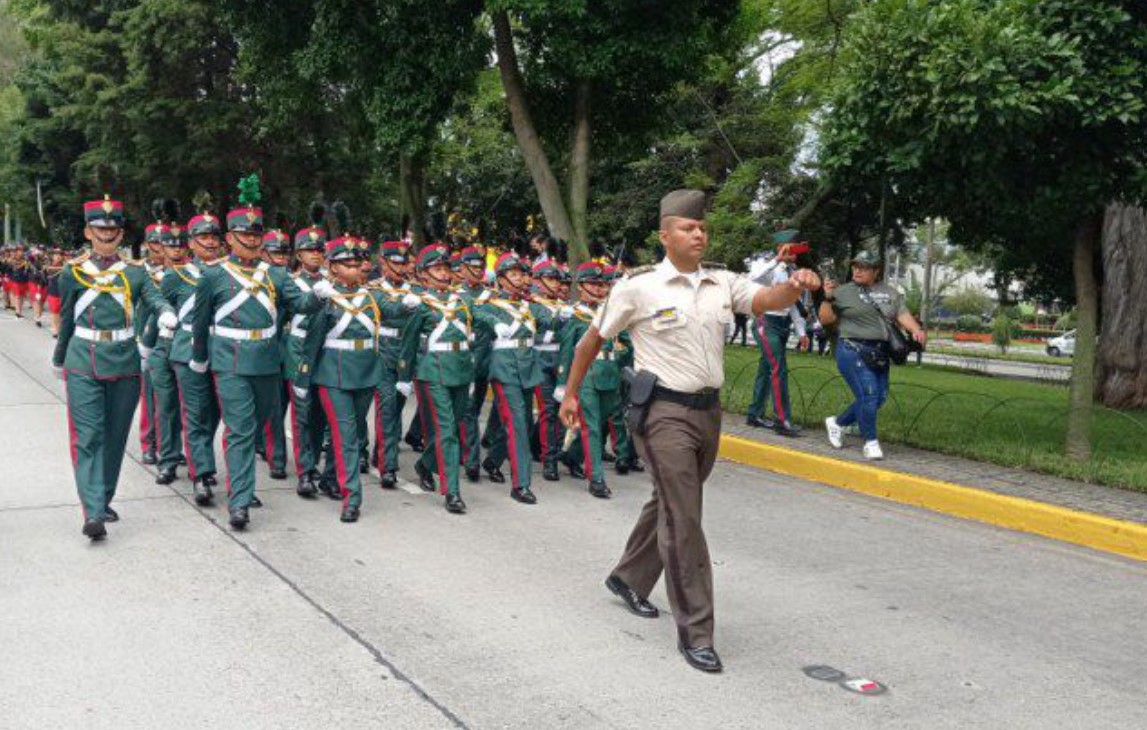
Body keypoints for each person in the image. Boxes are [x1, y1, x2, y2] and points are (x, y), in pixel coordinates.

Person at [558, 189, 820, 673]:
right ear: (665, 235)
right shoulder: (638, 287)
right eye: (687, 228)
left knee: (670, 500)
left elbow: (765, 298)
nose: (698, 234)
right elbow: (592, 340)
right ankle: (697, 632)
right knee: (685, 519)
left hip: (708, 413)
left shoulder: (721, 282)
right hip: (662, 412)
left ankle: (628, 578)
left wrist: (795, 285)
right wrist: (570, 395)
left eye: (702, 228)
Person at [189, 181, 335, 530]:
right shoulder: (213, 275)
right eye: (244, 235)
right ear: (229, 237)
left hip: (267, 360)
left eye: (257, 235)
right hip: (230, 359)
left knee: (254, 428)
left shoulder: (276, 273)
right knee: (239, 429)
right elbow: (200, 321)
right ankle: (240, 502)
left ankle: (241, 487)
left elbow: (297, 304)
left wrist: (317, 296)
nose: (252, 241)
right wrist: (199, 357)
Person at [51, 196, 179, 540]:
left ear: (121, 234)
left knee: (114, 435)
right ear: (88, 231)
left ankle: (103, 497)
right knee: (89, 436)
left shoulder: (135, 273)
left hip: (123, 359)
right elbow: (66, 319)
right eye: (100, 228)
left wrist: (165, 312)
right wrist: (59, 358)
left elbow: (153, 297)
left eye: (112, 229)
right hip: (83, 359)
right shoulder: (72, 271)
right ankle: (92, 511)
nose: (106, 234)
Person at [818, 250, 926, 460]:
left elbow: (901, 314)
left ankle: (837, 423)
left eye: (864, 267)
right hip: (851, 349)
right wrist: (828, 297)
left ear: (876, 271)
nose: (857, 270)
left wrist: (916, 330)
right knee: (869, 395)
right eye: (855, 266)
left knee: (880, 397)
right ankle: (871, 442)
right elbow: (826, 319)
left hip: (879, 352)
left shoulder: (891, 293)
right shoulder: (843, 291)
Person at [397, 244, 473, 514]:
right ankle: (452, 491)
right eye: (437, 269)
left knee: (454, 426)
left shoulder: (463, 301)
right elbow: (408, 342)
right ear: (424, 275)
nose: (443, 273)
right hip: (434, 369)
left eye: (445, 268)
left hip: (462, 368)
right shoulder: (420, 304)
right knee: (447, 430)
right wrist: (405, 375)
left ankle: (425, 464)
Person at [745, 231, 809, 436]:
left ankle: (754, 414)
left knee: (767, 369)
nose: (794, 254)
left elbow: (791, 303)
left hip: (782, 324)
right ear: (780, 248)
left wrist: (801, 332)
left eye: (796, 249)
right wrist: (776, 260)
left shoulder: (793, 271)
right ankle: (782, 420)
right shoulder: (765, 265)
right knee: (778, 368)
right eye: (791, 248)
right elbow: (752, 279)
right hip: (766, 321)